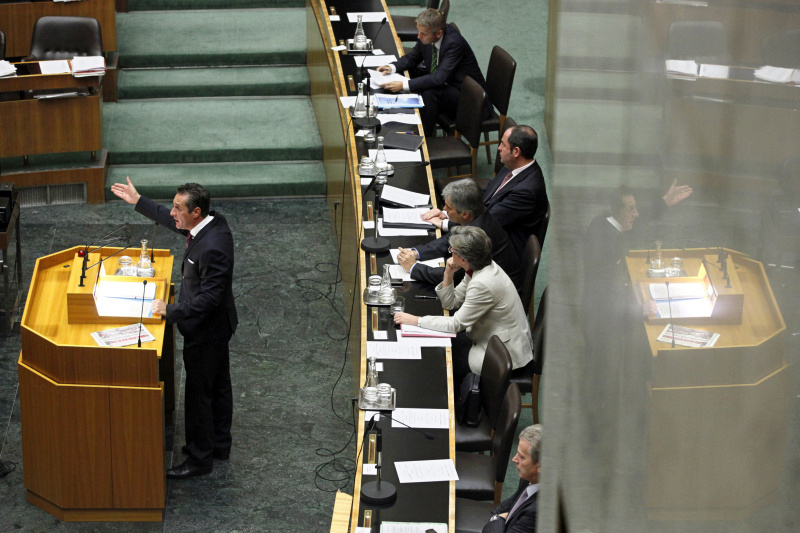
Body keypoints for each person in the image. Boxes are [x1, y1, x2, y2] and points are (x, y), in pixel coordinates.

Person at [111, 177, 238, 479]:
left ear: (196, 212)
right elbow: (173, 223)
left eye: (178, 208)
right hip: (218, 326)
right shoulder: (209, 223)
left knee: (198, 396)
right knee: (219, 386)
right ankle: (219, 444)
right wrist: (138, 200)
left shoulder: (213, 247)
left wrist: (170, 311)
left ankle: (198, 459)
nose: (172, 212)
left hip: (207, 330)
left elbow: (210, 297)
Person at [394, 226, 532, 384]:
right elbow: (450, 302)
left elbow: (455, 324)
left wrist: (416, 320)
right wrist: (448, 273)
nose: (450, 252)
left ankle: (462, 405)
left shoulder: (483, 283)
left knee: (441, 366)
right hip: (487, 335)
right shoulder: (478, 266)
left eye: (452, 250)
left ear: (464, 259)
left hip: (503, 353)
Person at [423, 125, 548, 260]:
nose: (499, 148)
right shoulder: (513, 166)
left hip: (498, 252)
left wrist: (447, 222)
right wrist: (448, 213)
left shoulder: (526, 191)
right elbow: (484, 193)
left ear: (516, 151)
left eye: (503, 144)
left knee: (430, 259)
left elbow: (486, 224)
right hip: (484, 229)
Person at [377, 8, 489, 137]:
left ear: (439, 33)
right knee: (409, 73)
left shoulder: (453, 43)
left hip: (468, 97)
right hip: (448, 84)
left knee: (429, 92)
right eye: (419, 32)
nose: (419, 37)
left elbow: (439, 78)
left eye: (423, 34)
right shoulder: (428, 34)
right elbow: (413, 57)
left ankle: (424, 138)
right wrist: (391, 67)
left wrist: (404, 85)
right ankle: (390, 117)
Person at [397, 178, 522, 290]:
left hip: (494, 294)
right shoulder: (478, 215)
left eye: (448, 207)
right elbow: (448, 239)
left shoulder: (474, 236)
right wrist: (416, 253)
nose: (444, 210)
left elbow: (453, 277)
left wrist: (413, 268)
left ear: (465, 214)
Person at [483, 424, 543, 533]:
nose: (514, 459)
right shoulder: (530, 478)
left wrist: (498, 519)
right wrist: (498, 518)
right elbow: (506, 506)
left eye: (522, 457)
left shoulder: (538, 512)